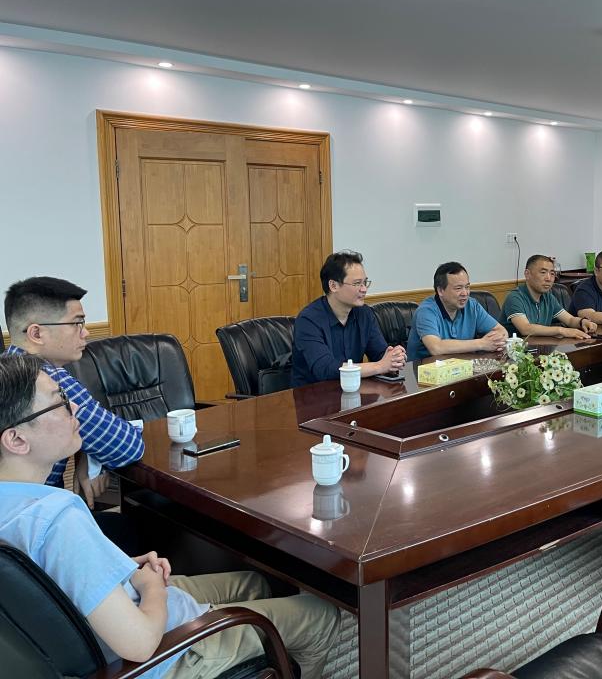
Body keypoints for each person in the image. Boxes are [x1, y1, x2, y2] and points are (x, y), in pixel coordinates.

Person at [0, 353, 343, 678]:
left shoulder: (19, 508)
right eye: (60, 401)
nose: (75, 407)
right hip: (169, 654)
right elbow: (139, 644)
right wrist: (152, 587)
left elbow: (50, 581)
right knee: (322, 614)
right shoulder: (58, 518)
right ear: (16, 439)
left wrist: (119, 566)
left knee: (257, 582)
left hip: (113, 611)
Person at [3, 277, 144, 508]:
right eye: (76, 323)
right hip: (33, 517)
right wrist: (94, 451)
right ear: (36, 333)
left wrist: (87, 453)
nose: (85, 332)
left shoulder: (7, 368)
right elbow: (127, 446)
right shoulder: (47, 379)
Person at [292, 251, 406, 387]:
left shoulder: (364, 314)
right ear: (333, 286)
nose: (364, 289)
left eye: (365, 282)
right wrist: (380, 366)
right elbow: (325, 369)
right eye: (357, 283)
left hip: (353, 391)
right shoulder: (308, 320)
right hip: (314, 395)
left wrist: (394, 357)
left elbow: (380, 354)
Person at [406, 262, 508, 360]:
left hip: (463, 367)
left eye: (467, 287)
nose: (465, 293)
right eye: (458, 288)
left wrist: (496, 341)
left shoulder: (472, 305)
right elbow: (436, 348)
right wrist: (482, 343)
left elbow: (501, 331)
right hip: (426, 369)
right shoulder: (426, 311)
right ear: (440, 290)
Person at [502, 255, 597, 339]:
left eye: (552, 274)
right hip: (514, 351)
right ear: (527, 274)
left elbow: (569, 320)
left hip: (539, 347)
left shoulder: (548, 297)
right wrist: (561, 330)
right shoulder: (515, 297)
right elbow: (525, 329)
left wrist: (582, 322)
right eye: (543, 272)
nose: (549, 278)